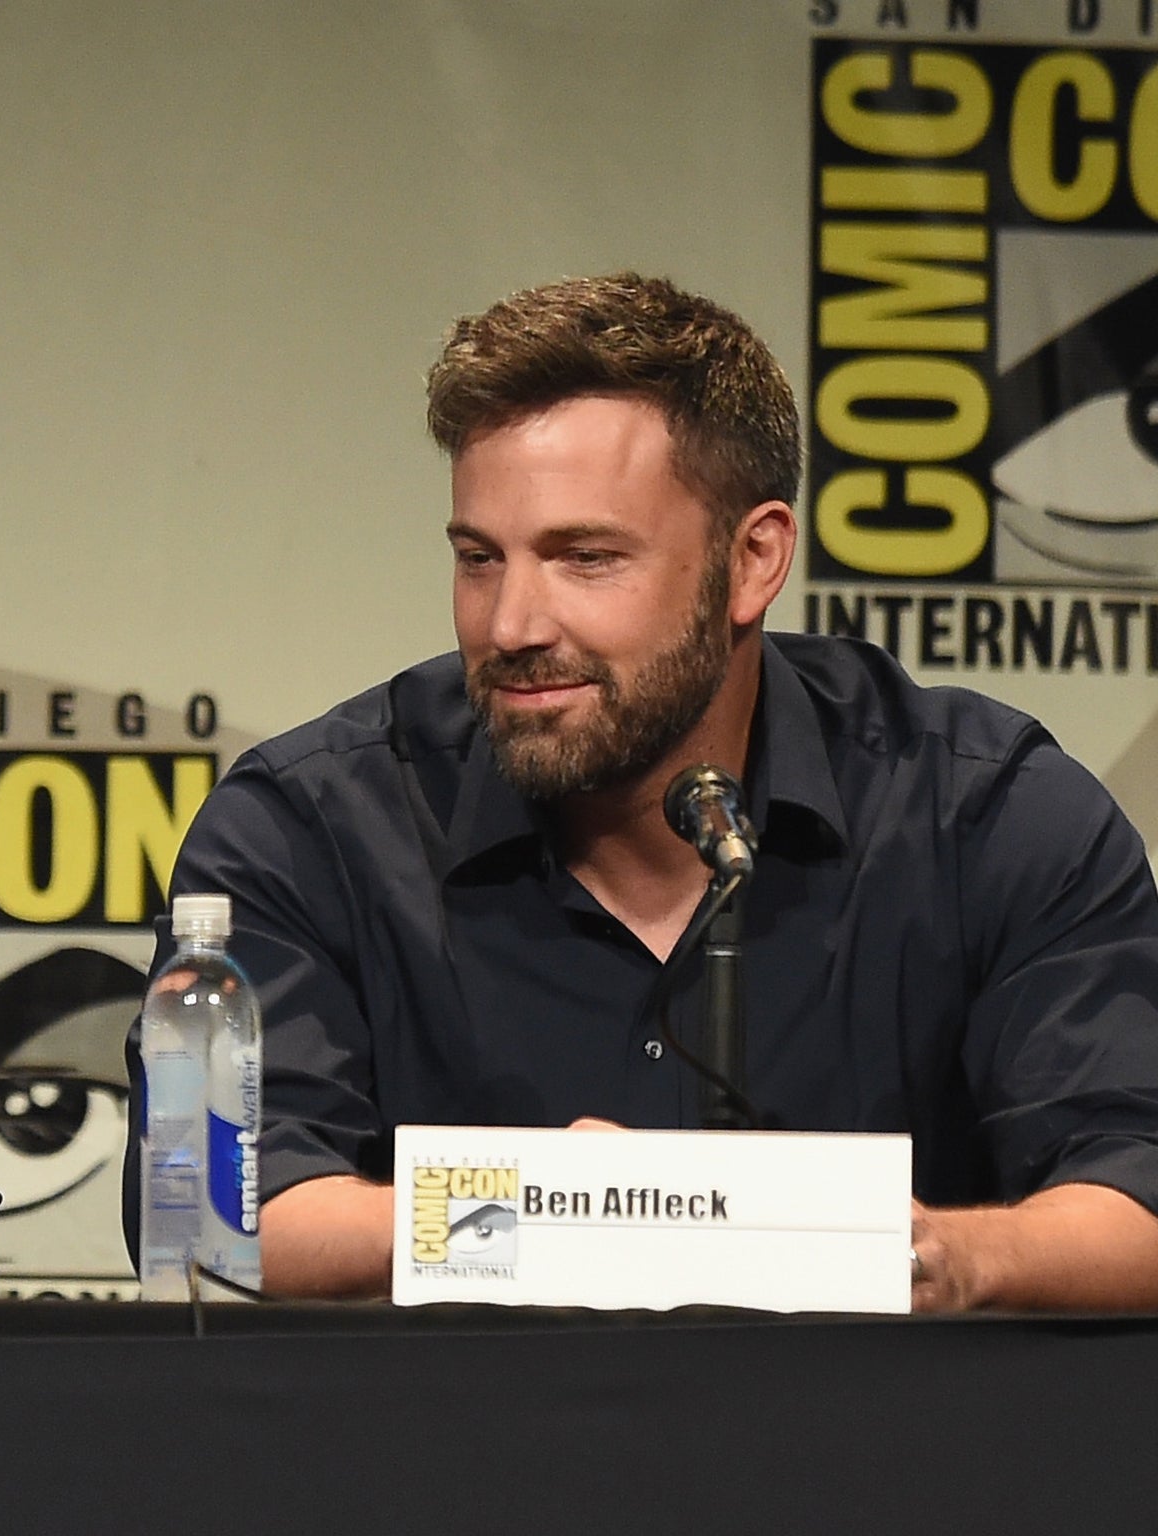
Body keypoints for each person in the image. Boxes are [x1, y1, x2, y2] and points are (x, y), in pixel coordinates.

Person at [146, 273, 1158, 1310]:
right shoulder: (304, 827)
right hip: (453, 1462)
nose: (509, 625)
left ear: (751, 560)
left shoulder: (986, 815)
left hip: (874, 1460)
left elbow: (1134, 1197)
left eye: (584, 558)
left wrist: (948, 1260)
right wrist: (535, 1211)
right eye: (478, 560)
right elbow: (207, 1216)